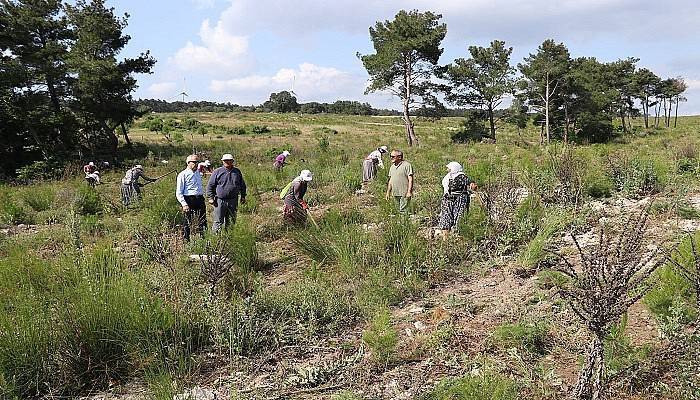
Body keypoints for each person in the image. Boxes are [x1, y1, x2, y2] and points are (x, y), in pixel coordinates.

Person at [207, 153, 247, 232]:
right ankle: (216, 240)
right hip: (220, 200)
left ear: (232, 161)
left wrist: (243, 196)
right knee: (218, 221)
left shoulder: (237, 172)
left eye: (229, 160)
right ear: (222, 161)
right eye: (225, 160)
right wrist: (210, 197)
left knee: (231, 221)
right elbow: (210, 185)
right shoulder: (217, 171)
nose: (227, 162)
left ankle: (229, 239)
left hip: (233, 200)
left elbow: (242, 185)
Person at [437, 162, 476, 237]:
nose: (447, 170)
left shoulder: (461, 176)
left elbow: (470, 182)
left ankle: (458, 236)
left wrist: (472, 185)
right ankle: (446, 239)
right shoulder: (448, 177)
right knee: (446, 217)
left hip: (459, 200)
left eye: (449, 168)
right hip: (448, 200)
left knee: (459, 217)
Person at [176, 154, 207, 241]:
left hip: (199, 198)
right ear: (188, 163)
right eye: (193, 162)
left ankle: (204, 239)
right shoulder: (183, 174)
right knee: (187, 221)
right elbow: (179, 192)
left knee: (203, 220)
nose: (196, 164)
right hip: (189, 199)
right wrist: (184, 204)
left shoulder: (198, 173)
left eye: (197, 162)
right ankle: (186, 240)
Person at [385, 150, 414, 214]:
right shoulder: (392, 167)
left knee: (403, 212)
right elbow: (390, 180)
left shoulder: (407, 165)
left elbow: (410, 179)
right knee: (397, 211)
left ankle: (404, 223)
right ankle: (400, 223)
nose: (391, 158)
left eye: (393, 156)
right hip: (395, 193)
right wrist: (388, 192)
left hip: (404, 193)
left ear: (399, 157)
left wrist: (409, 192)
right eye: (390, 156)